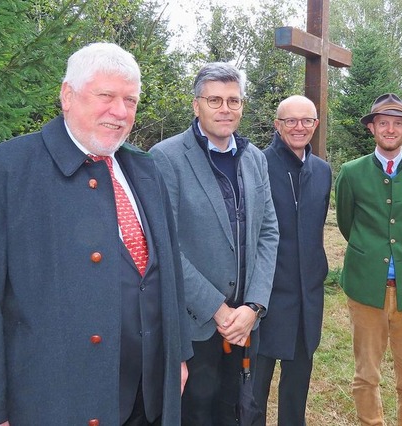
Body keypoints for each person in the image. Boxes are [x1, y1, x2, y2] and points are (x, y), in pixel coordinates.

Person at [0, 43, 192, 426]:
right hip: (56, 400)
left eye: (130, 101)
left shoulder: (145, 169)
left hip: (148, 396)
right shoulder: (5, 172)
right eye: (106, 96)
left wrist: (178, 354)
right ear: (67, 96)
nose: (120, 112)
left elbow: (168, 275)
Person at [149, 62, 279, 425]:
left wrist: (254, 304)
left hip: (245, 321)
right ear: (196, 105)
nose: (225, 108)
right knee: (196, 411)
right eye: (215, 100)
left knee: (235, 409)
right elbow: (165, 245)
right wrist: (218, 310)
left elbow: (269, 232)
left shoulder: (254, 159)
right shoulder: (167, 158)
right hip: (197, 323)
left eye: (233, 101)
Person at [335, 93, 402, 426]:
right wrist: (372, 254)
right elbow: (346, 223)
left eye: (398, 123)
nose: (390, 129)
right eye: (383, 123)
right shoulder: (352, 173)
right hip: (366, 289)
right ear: (372, 128)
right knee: (366, 375)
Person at [252, 96, 331, 425]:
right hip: (264, 297)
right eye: (290, 121)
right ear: (277, 125)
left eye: (306, 121)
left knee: (297, 387)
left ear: (315, 125)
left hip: (306, 299)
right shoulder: (256, 164)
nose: (299, 127)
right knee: (253, 391)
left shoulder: (323, 171)